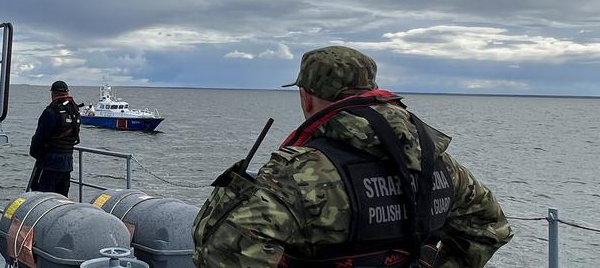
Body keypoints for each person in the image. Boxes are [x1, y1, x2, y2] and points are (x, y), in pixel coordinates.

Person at [193, 46, 513, 268]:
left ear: (306, 97)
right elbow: (490, 227)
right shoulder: (441, 165)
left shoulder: (297, 175)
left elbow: (221, 253)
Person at [28, 80, 81, 195]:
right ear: (67, 93)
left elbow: (40, 137)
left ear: (53, 94)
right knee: (61, 198)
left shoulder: (52, 112)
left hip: (49, 164)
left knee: (40, 196)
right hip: (67, 164)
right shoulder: (74, 110)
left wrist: (36, 154)